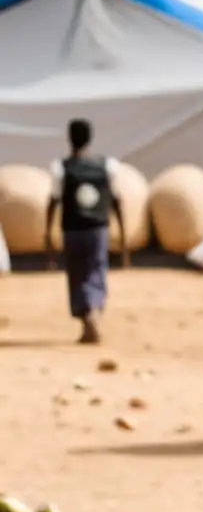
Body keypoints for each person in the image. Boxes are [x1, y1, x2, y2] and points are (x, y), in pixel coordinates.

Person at [45, 118, 126, 344]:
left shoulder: (60, 168)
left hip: (72, 229)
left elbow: (52, 201)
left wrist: (47, 233)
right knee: (97, 270)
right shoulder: (107, 166)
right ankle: (95, 313)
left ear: (69, 139)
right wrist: (123, 232)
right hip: (98, 229)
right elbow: (117, 199)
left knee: (77, 275)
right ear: (90, 138)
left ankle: (87, 317)